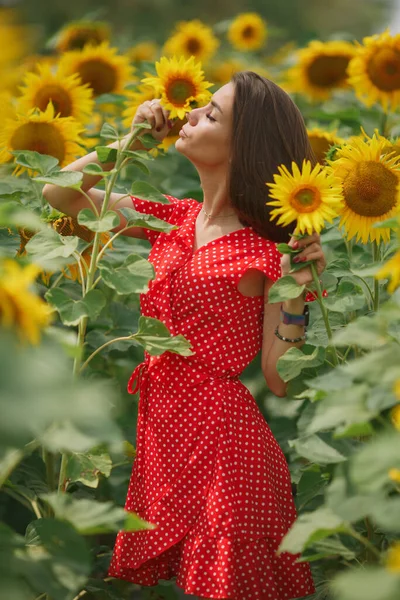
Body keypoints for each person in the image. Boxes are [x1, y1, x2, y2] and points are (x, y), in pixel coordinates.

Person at [44, 71, 326, 600]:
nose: (190, 115)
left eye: (211, 114)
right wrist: (128, 140)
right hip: (167, 437)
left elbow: (279, 378)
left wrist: (295, 291)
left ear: (244, 148)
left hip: (226, 448)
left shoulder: (267, 251)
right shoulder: (175, 217)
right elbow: (59, 193)